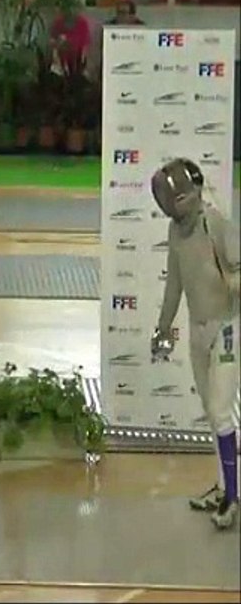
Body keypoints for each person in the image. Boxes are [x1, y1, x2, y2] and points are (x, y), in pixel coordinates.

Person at [151, 158, 240, 531]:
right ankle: (223, 487)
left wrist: (232, 283)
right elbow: (175, 284)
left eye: (174, 197)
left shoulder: (215, 223)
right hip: (197, 330)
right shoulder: (176, 231)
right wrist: (163, 328)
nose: (170, 205)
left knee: (220, 411)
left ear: (190, 194)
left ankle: (232, 498)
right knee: (210, 410)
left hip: (227, 329)